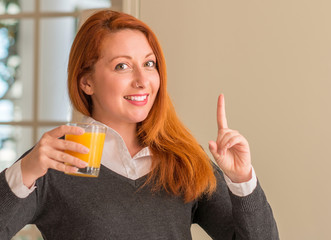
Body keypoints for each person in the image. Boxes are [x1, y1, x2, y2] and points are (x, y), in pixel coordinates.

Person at [0, 10, 279, 239]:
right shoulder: (55, 160)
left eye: (149, 63)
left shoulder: (183, 160)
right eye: (122, 66)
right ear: (86, 81)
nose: (143, 80)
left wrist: (242, 181)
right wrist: (23, 173)